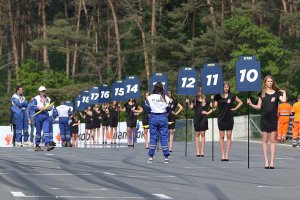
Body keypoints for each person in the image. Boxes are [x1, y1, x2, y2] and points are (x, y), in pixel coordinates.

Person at [248, 75, 286, 169]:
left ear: (273, 82)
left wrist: (284, 92)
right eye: (268, 81)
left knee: (273, 140)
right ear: (265, 82)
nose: (269, 83)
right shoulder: (261, 93)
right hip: (264, 119)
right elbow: (259, 106)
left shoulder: (277, 93)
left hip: (273, 119)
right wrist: (251, 104)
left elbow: (284, 100)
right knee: (265, 140)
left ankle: (272, 162)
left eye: (271, 81)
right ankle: (266, 161)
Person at [214, 81, 243, 161]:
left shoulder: (232, 95)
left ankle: (227, 154)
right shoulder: (217, 96)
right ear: (222, 88)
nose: (226, 88)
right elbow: (214, 106)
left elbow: (241, 102)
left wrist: (235, 108)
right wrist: (213, 99)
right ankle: (222, 154)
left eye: (227, 87)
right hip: (221, 118)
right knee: (222, 136)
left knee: (229, 135)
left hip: (229, 118)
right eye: (224, 87)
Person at [146, 82, 171, 163]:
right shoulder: (166, 97)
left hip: (153, 116)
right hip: (163, 117)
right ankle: (166, 157)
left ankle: (151, 156)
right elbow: (169, 109)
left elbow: (147, 109)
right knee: (164, 137)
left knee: (153, 137)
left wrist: (150, 115)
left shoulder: (150, 97)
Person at [186, 89, 215, 157]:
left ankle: (202, 151)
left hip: (203, 119)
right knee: (197, 134)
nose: (199, 92)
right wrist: (188, 103)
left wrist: (208, 112)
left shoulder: (206, 100)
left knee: (202, 134)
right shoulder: (195, 100)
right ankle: (197, 151)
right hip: (196, 118)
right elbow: (190, 107)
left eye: (200, 91)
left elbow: (213, 107)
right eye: (198, 91)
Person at [32, 86, 53, 151]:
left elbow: (50, 107)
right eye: (42, 91)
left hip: (46, 115)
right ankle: (37, 145)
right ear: (39, 92)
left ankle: (48, 144)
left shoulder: (48, 99)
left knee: (46, 130)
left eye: (44, 91)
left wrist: (48, 108)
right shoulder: (36, 98)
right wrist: (39, 108)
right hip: (38, 115)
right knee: (38, 132)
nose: (43, 92)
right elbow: (33, 107)